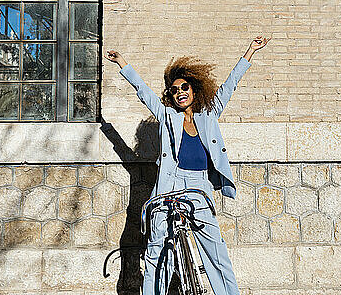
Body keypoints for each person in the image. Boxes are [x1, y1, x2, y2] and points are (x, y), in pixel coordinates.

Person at [104, 35, 270, 295]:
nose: (180, 93)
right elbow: (143, 93)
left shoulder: (209, 115)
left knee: (216, 250)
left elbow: (230, 86)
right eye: (175, 90)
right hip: (170, 183)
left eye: (184, 88)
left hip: (200, 185)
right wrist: (122, 63)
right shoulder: (168, 116)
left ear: (194, 90)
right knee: (158, 251)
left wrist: (250, 51)